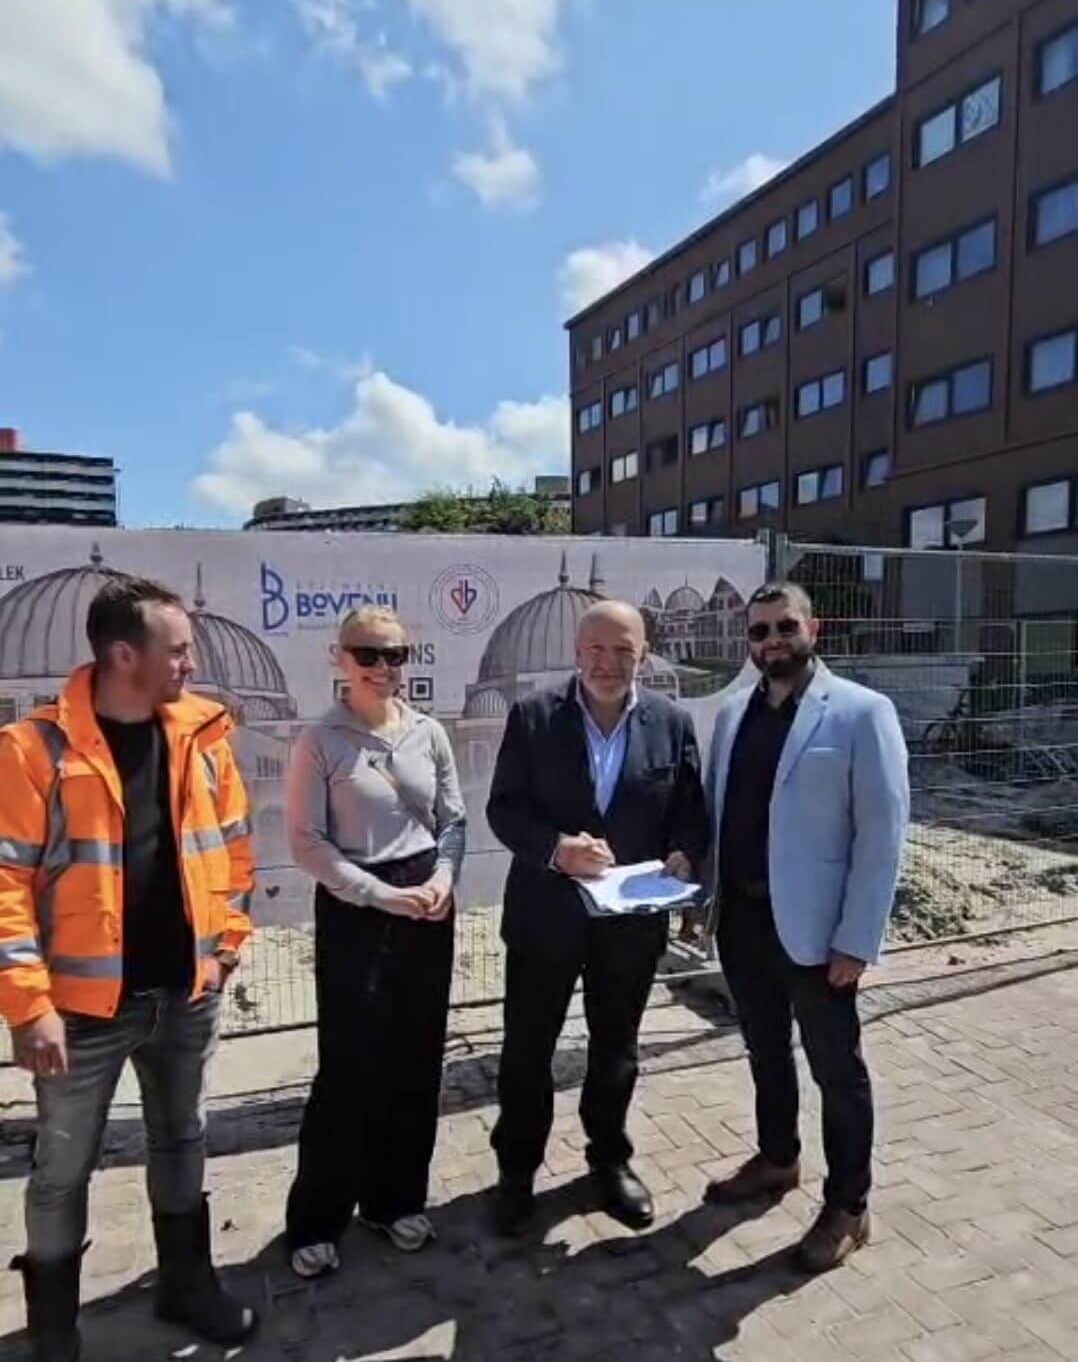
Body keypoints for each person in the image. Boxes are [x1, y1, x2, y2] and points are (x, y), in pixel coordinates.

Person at [0, 577, 259, 1362]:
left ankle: (187, 1284)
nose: (191, 662)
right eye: (176, 649)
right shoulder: (33, 750)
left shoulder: (203, 736)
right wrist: (29, 1006)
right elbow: (5, 884)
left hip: (186, 994)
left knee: (182, 1137)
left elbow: (235, 850)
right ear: (123, 655)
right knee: (62, 1168)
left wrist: (224, 948)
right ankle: (53, 1332)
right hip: (80, 1011)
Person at [704, 582, 909, 1272]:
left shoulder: (861, 712)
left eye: (784, 626)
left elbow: (882, 833)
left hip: (819, 934)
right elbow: (719, 811)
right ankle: (777, 1157)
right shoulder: (733, 714)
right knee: (765, 1051)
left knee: (837, 1071)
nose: (772, 641)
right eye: (759, 631)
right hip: (742, 919)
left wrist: (858, 937)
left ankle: (849, 1206)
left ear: (812, 628)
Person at [487, 600, 709, 1236]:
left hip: (630, 926)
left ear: (644, 655)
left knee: (616, 1050)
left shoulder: (672, 722)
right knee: (528, 1051)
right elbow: (505, 810)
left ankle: (609, 1161)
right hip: (545, 918)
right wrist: (557, 849)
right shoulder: (534, 717)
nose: (608, 663)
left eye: (622, 650)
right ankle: (517, 1171)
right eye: (595, 650)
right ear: (576, 653)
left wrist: (685, 853)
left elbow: (689, 812)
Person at [285, 606, 465, 1279]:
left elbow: (453, 819)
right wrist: (377, 894)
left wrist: (444, 876)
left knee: (416, 1058)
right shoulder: (320, 740)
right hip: (356, 907)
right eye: (369, 653)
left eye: (396, 654)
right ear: (340, 658)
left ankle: (395, 1200)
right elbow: (306, 841)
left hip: (426, 900)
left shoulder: (428, 732)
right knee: (348, 1066)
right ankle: (317, 1217)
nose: (383, 667)